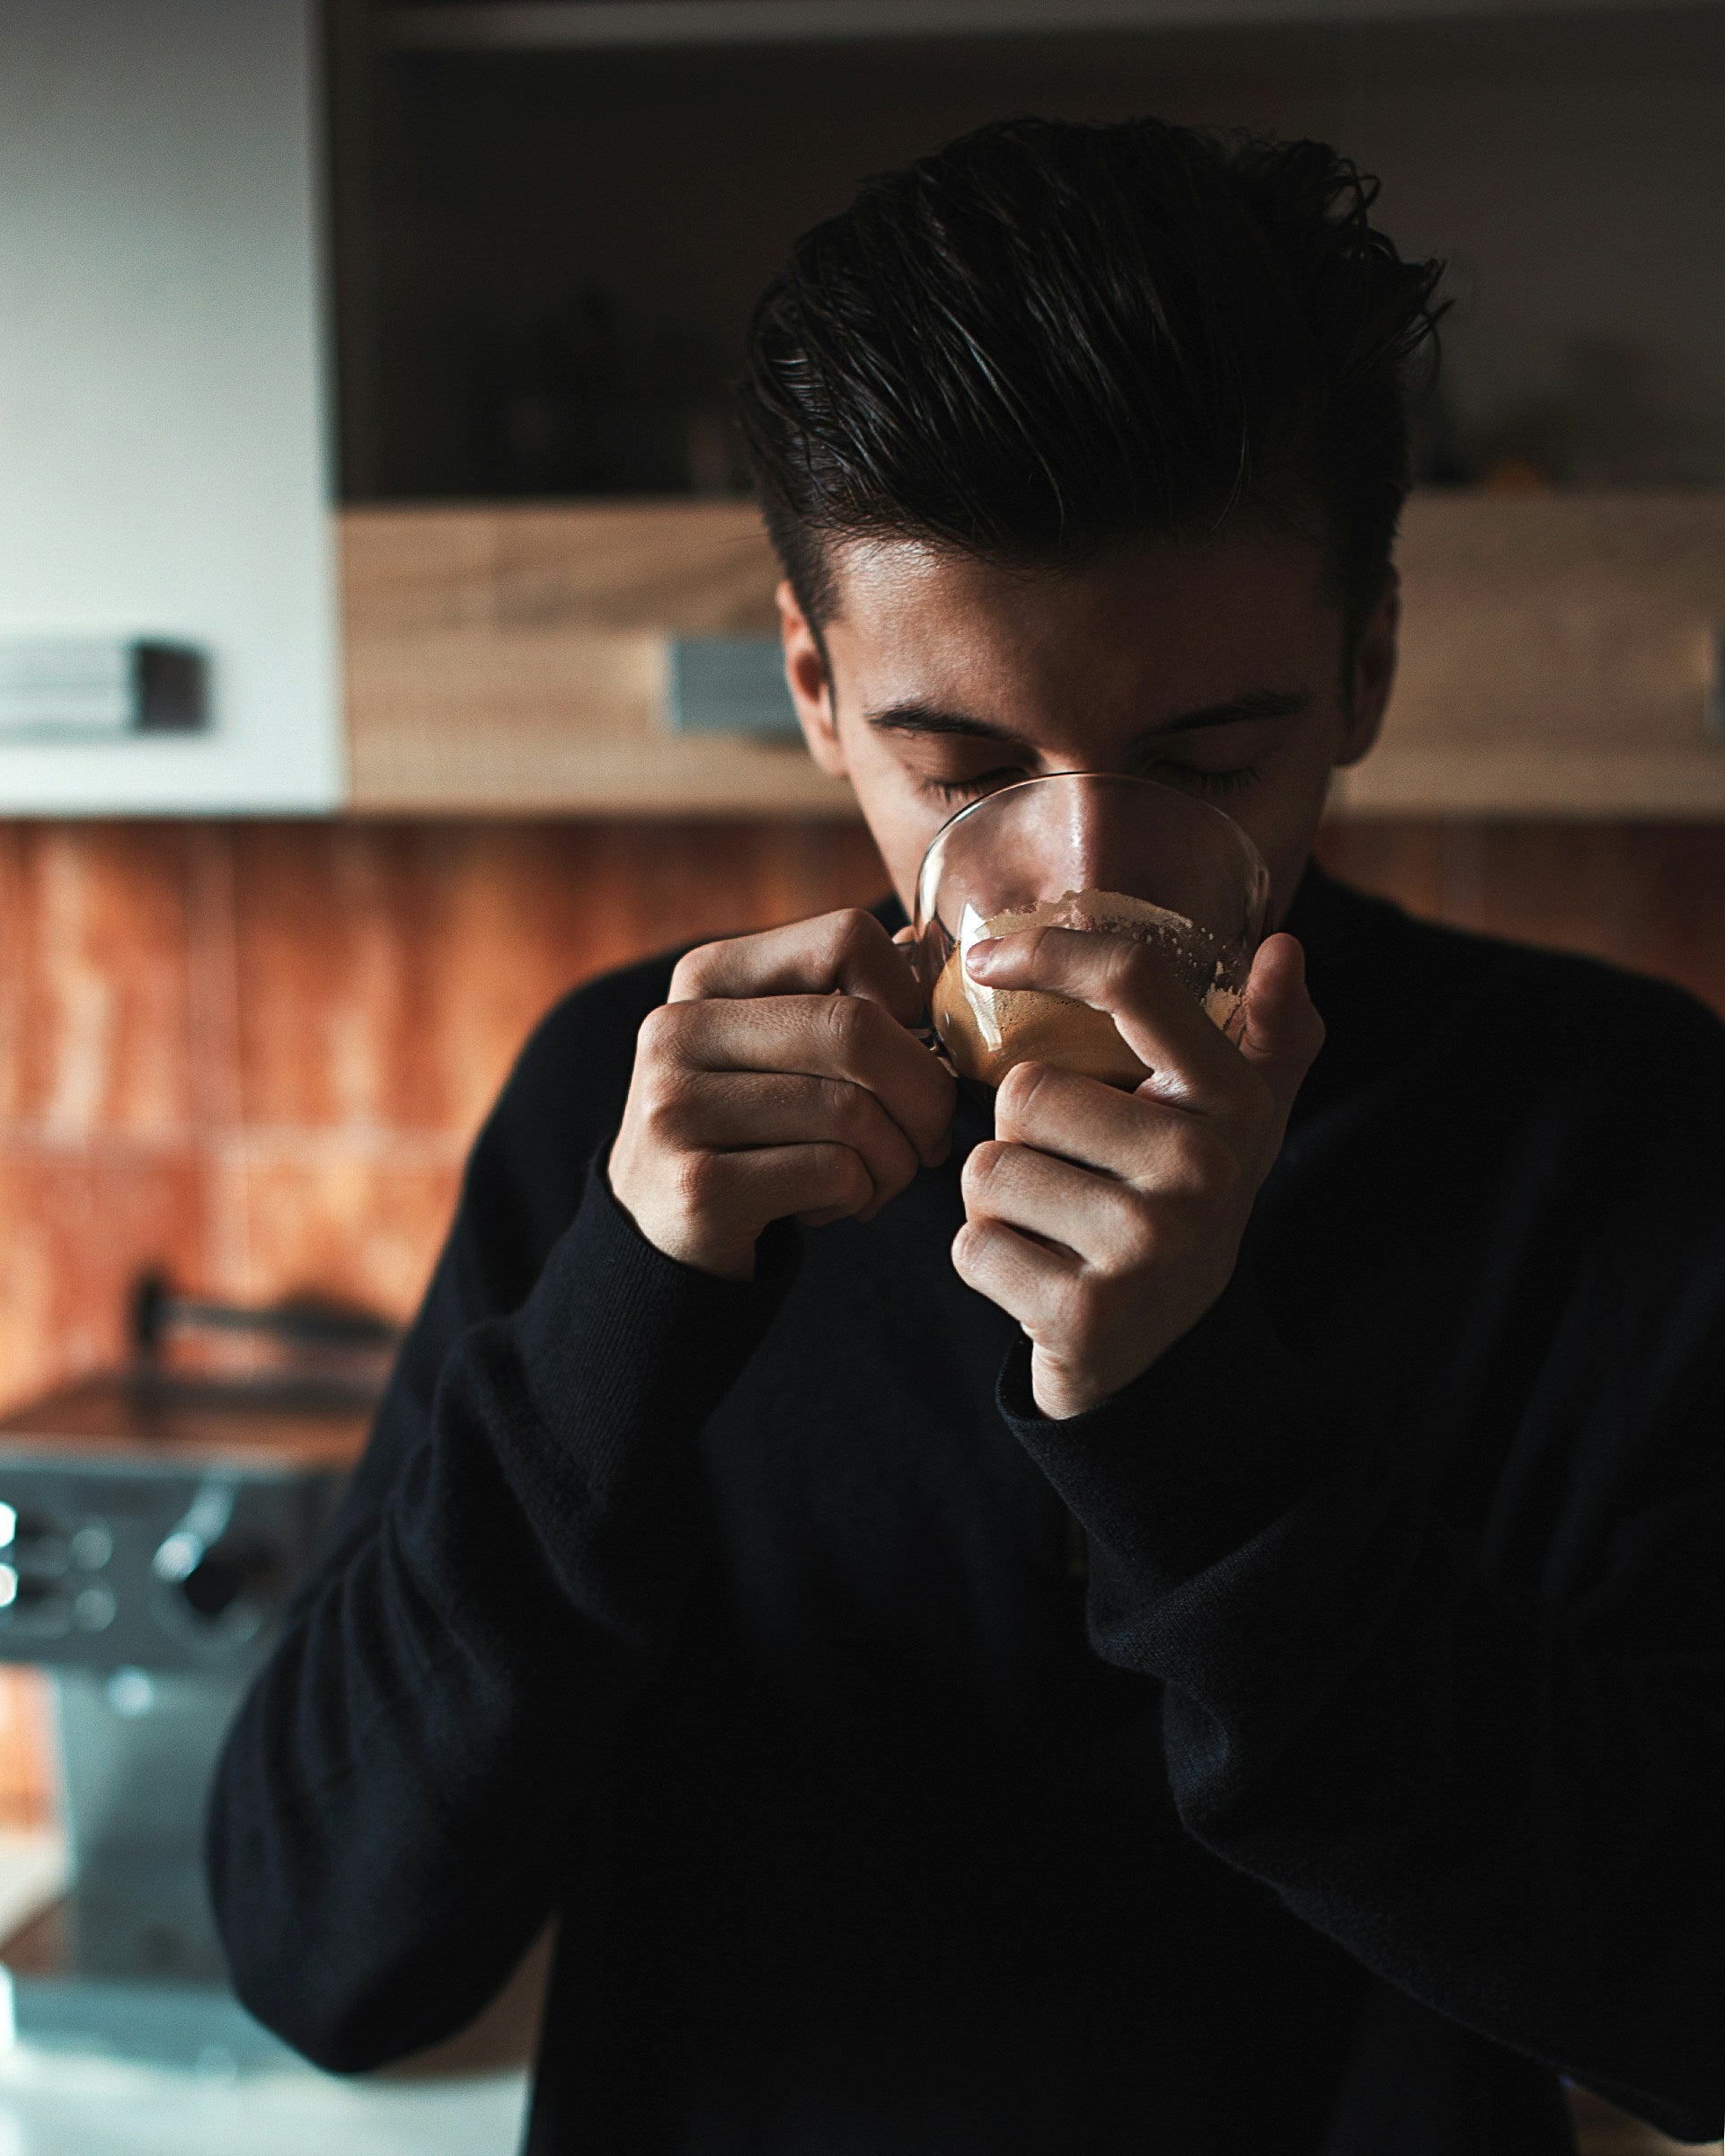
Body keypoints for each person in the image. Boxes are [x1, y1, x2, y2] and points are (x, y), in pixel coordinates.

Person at [206, 117, 1721, 2153]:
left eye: (1207, 758)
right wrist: (620, 1322)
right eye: (967, 769)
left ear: (1365, 667)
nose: (1082, 880)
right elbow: (318, 1951)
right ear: (816, 689)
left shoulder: (1611, 1135)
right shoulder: (625, 1113)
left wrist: (1194, 1423)